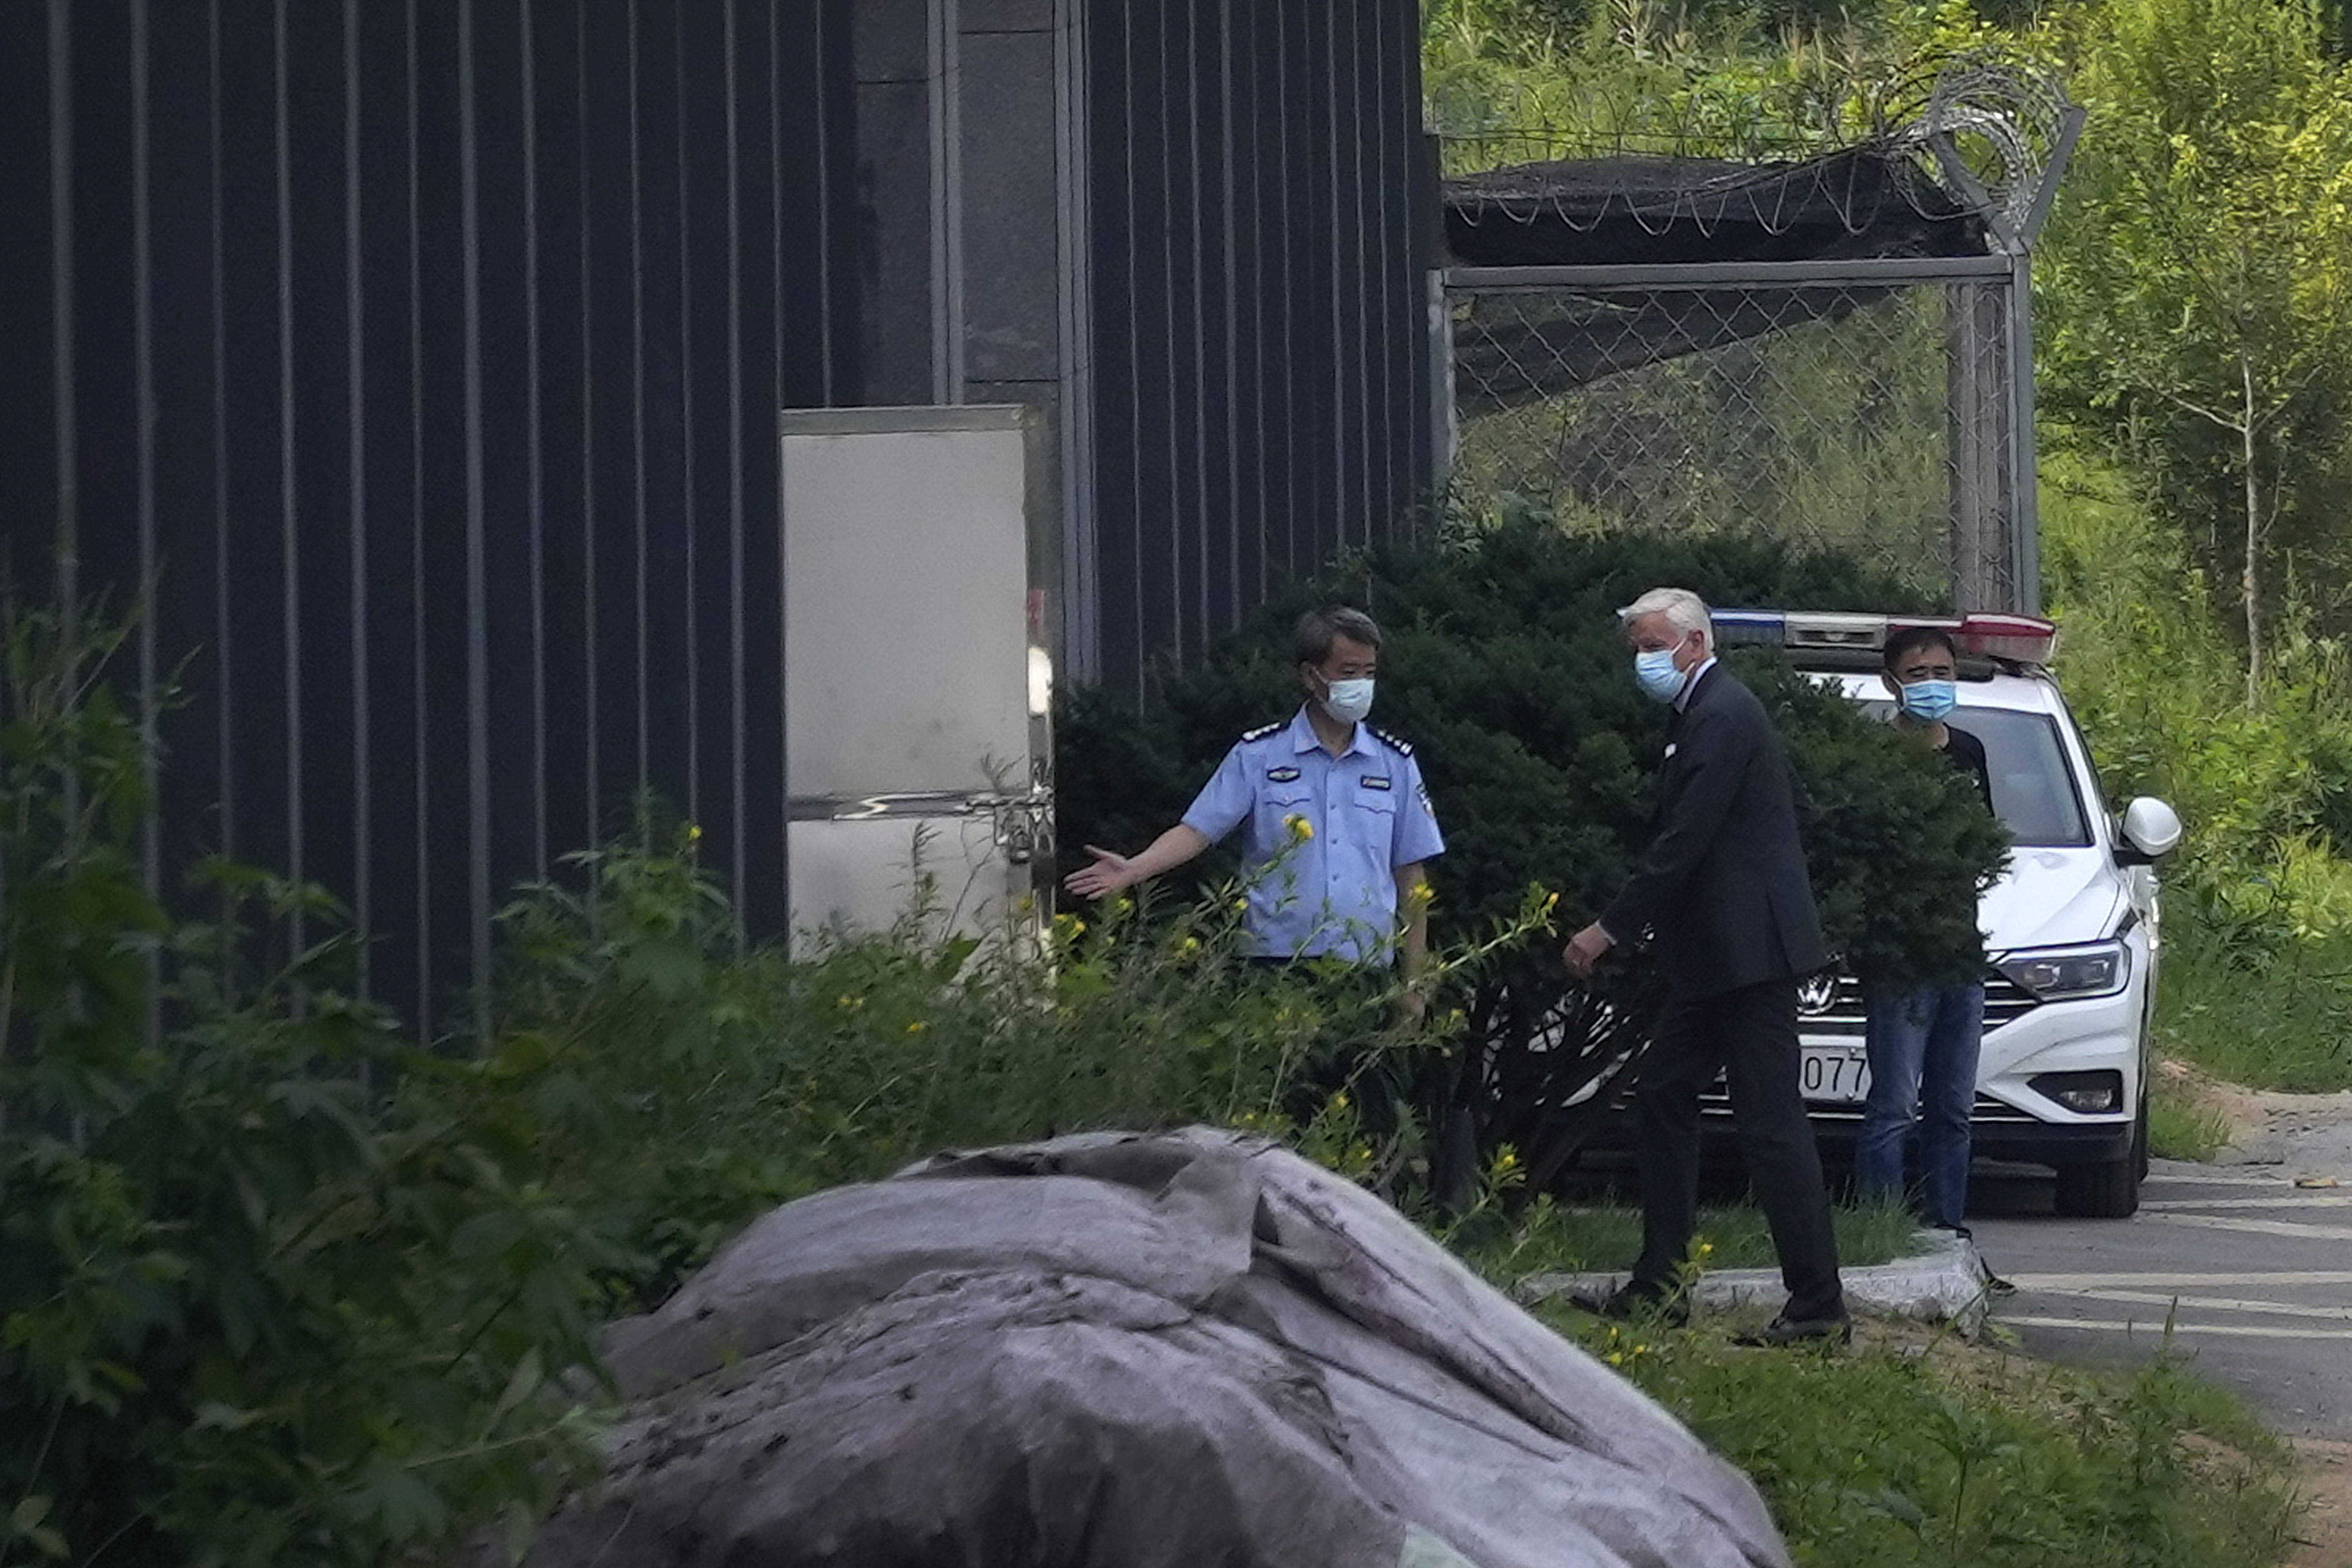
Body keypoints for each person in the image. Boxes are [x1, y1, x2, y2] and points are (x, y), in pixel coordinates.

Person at [1562, 586, 1848, 1346]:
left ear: (1693, 643)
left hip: (1750, 955)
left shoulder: (1721, 714)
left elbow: (1683, 841)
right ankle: (1662, 1281)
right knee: (1662, 1093)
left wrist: (1608, 927)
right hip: (1719, 952)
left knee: (1771, 1122)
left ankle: (1818, 1303)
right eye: (1635, 649)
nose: (1641, 660)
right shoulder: (1700, 711)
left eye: (1652, 646)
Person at [1063, 605, 1443, 975]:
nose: (1360, 685)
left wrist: (1414, 983)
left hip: (1364, 964)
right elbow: (1198, 830)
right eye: (1348, 673)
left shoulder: (1394, 762)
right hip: (1277, 963)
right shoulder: (1260, 754)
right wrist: (1134, 868)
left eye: (1369, 673)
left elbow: (1411, 874)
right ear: (1312, 676)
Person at [1855, 624, 1995, 1236]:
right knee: (1893, 1108)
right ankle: (1881, 1232)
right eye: (1919, 675)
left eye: (1943, 673)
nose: (1933, 685)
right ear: (1892, 683)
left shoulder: (1967, 753)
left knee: (1954, 1110)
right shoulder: (1876, 760)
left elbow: (1984, 843)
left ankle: (1946, 1229)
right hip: (1901, 960)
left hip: (1961, 956)